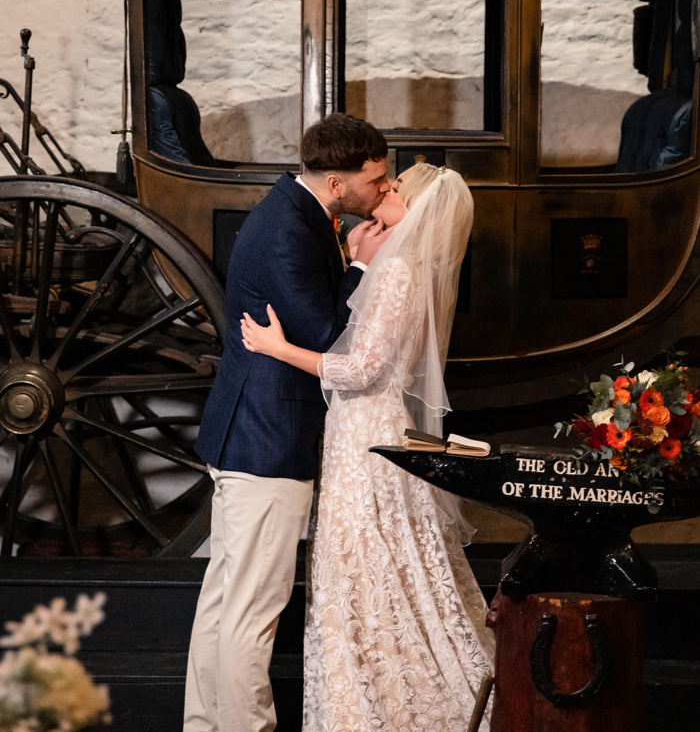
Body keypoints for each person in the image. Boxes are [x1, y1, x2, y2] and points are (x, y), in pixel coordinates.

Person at [241, 163, 496, 732]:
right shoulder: (407, 265)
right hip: (372, 428)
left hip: (366, 437)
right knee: (377, 569)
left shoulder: (401, 269)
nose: (385, 190)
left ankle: (379, 707)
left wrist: (275, 347)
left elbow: (361, 368)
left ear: (418, 211)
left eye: (395, 188)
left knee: (361, 571)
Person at [184, 113, 392, 732]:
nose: (381, 190)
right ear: (336, 182)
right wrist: (358, 265)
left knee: (225, 601)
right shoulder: (287, 231)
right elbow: (327, 336)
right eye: (374, 180)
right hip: (266, 441)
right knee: (252, 611)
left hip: (250, 431)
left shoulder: (298, 215)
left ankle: (204, 726)